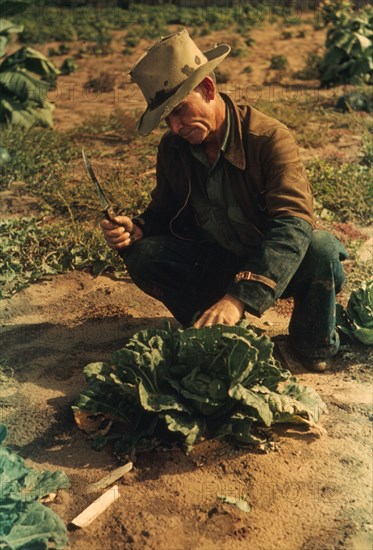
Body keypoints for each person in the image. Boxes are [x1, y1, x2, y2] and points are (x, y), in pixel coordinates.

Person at [100, 29, 347, 372]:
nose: (174, 127)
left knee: (321, 248)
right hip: (216, 260)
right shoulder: (174, 148)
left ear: (208, 89)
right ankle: (214, 333)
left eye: (180, 110)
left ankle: (311, 345)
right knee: (145, 255)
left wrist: (239, 299)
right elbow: (164, 210)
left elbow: (293, 224)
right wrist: (138, 227)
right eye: (166, 118)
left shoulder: (269, 138)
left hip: (272, 265)